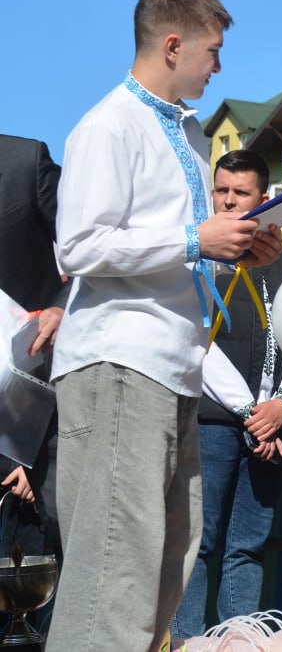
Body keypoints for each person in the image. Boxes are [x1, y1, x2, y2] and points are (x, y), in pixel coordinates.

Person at [48, 0, 282, 652]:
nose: (219, 66)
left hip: (173, 369)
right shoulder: (107, 124)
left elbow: (178, 254)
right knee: (112, 576)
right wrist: (195, 239)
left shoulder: (189, 131)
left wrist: (237, 249)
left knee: (166, 565)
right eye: (212, 50)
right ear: (173, 44)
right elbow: (79, 245)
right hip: (122, 360)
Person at [171, 150, 282, 643]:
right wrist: (255, 412)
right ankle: (190, 643)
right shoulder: (202, 254)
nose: (228, 200)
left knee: (248, 547)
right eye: (221, 190)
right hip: (212, 422)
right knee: (198, 544)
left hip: (273, 425)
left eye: (240, 192)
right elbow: (196, 344)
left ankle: (238, 640)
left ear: (264, 200)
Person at [0, 135, 68, 636]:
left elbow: (88, 247)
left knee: (31, 563)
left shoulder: (26, 161)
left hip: (27, 397)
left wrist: (63, 305)